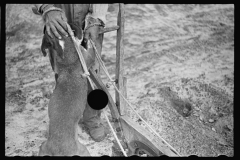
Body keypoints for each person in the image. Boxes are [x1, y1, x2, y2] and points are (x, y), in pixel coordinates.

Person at [32, 4, 109, 142]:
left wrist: (97, 17)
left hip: (87, 14)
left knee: (91, 73)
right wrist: (46, 8)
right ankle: (67, 120)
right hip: (58, 15)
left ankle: (92, 118)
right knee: (63, 75)